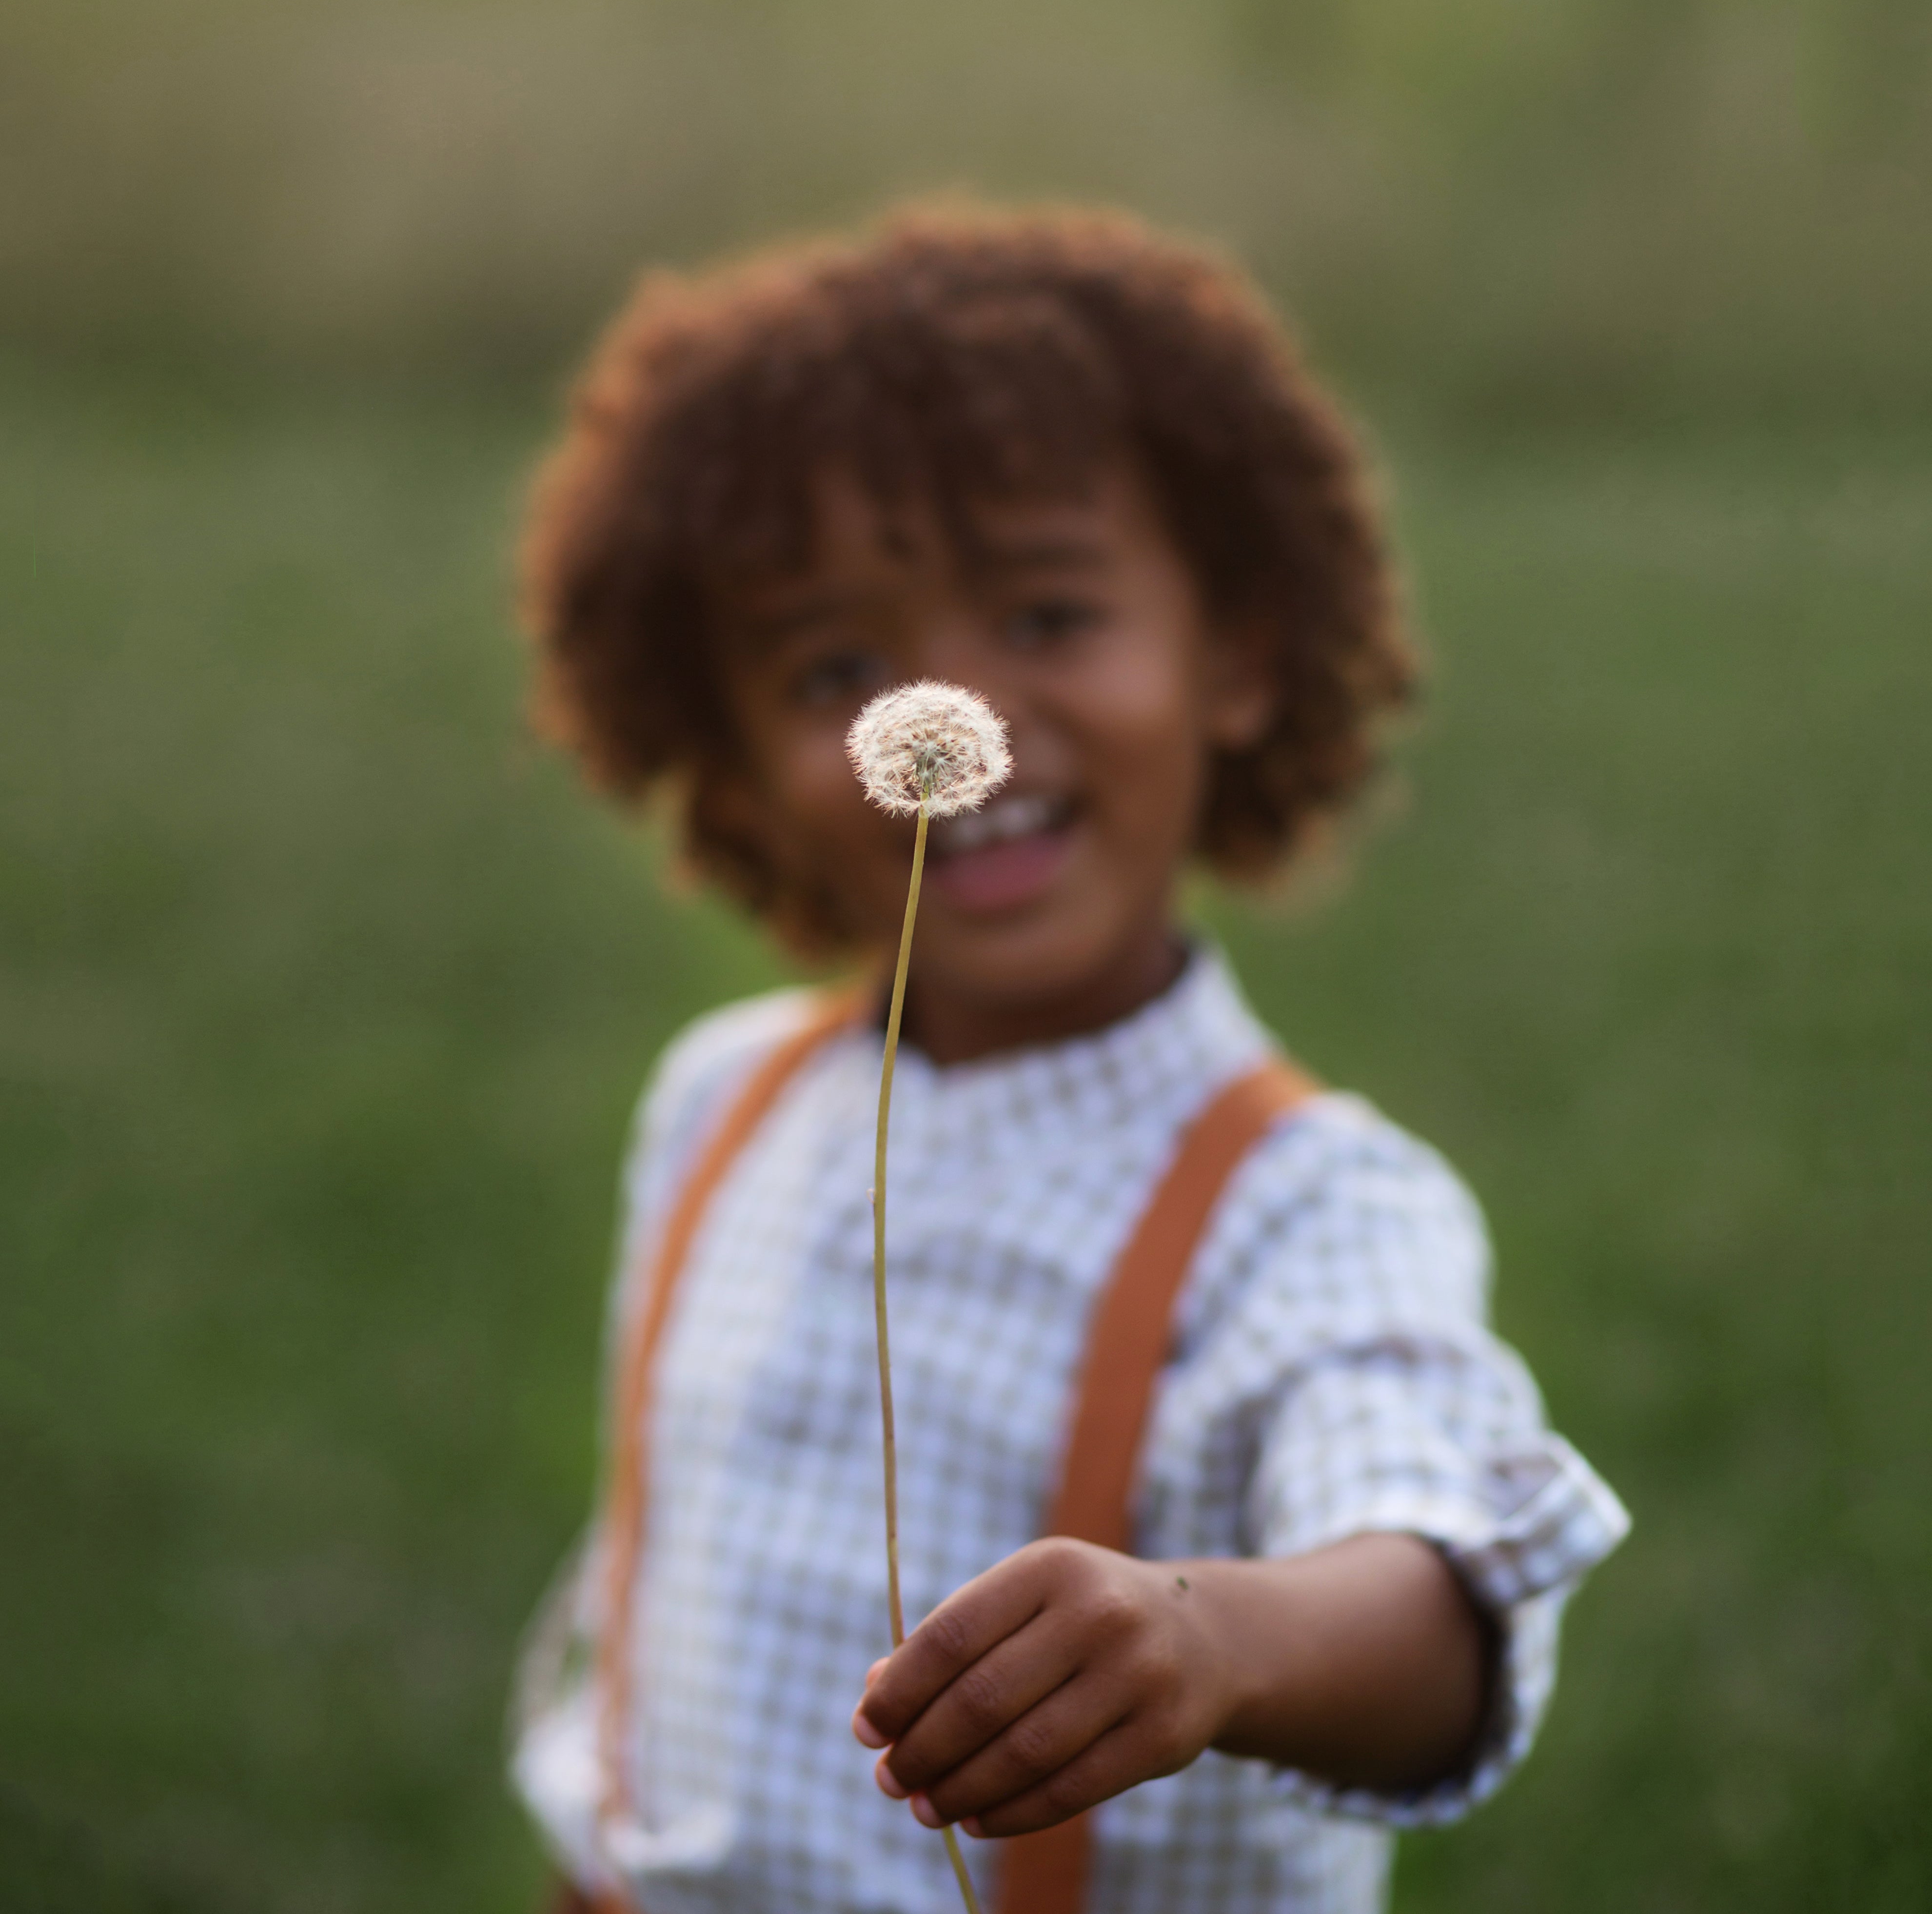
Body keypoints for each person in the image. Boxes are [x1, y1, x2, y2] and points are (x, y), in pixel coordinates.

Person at [508, 203, 1628, 1914]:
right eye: (833, 665)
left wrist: (1213, 1637)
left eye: (1048, 612)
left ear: (1237, 661)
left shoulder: (1304, 1205)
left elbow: (1439, 1610)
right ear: (722, 760)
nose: (966, 719)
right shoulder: (715, 1103)